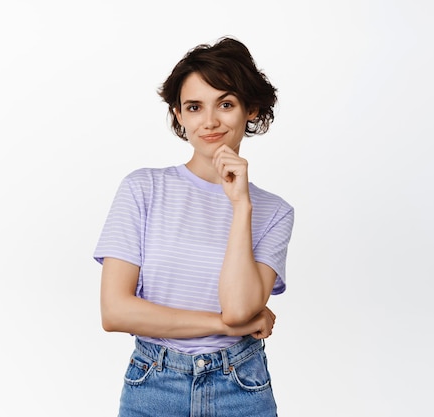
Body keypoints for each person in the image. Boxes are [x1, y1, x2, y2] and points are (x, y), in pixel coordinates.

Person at [93, 36, 294, 417]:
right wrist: (226, 326)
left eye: (226, 104)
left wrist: (240, 206)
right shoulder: (143, 189)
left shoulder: (273, 211)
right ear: (179, 115)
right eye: (195, 107)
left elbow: (238, 309)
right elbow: (115, 311)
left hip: (240, 385)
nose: (210, 121)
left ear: (251, 110)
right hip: (154, 382)